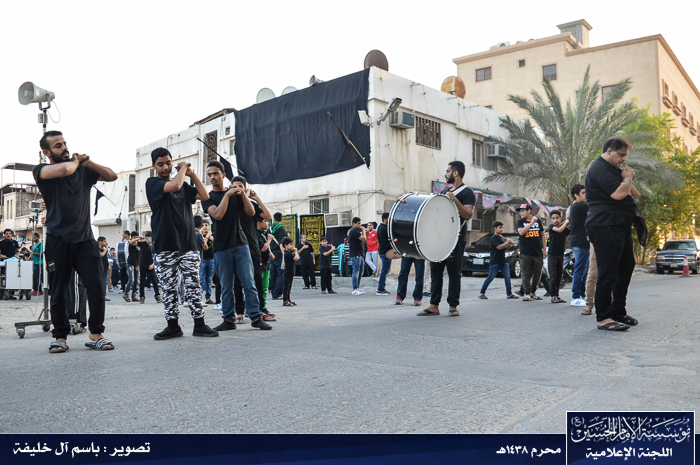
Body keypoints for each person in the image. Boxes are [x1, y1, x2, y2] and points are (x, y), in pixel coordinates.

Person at [33, 130, 117, 353]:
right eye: (58, 146)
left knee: (96, 287)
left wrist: (89, 163)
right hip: (57, 240)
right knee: (59, 291)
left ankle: (96, 333)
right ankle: (60, 336)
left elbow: (111, 176)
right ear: (46, 152)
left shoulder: (82, 170)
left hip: (85, 240)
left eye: (64, 143)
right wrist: (78, 162)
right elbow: (64, 169)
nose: (64, 148)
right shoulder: (41, 170)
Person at [146, 147, 218, 340]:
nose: (165, 167)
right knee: (168, 288)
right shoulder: (153, 183)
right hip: (164, 245)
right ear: (154, 166)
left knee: (193, 285)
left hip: (188, 244)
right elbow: (175, 185)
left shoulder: (184, 184)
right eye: (160, 164)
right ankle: (173, 326)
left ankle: (199, 325)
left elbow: (204, 195)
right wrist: (184, 168)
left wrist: (192, 173)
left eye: (168, 163)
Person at [202, 162, 271, 331]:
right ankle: (229, 320)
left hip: (241, 244)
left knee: (249, 282)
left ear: (223, 175)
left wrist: (241, 194)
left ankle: (256, 317)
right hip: (221, 247)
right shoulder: (208, 197)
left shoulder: (235, 194)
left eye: (216, 173)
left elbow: (251, 212)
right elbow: (218, 215)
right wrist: (227, 195)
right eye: (210, 174)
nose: (212, 177)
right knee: (226, 286)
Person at [585, 138, 640, 331]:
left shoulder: (615, 169)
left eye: (625, 155)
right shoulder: (600, 169)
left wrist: (628, 177)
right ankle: (603, 317)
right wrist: (626, 179)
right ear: (609, 151)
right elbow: (618, 194)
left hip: (619, 224)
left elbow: (635, 194)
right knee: (608, 271)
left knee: (626, 267)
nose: (624, 159)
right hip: (604, 224)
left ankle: (618, 311)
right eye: (621, 155)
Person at [423, 161, 475, 317]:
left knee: (453, 273)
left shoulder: (467, 192)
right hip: (440, 238)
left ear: (455, 173)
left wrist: (454, 199)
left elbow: (468, 214)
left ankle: (453, 306)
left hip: (455, 238)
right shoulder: (445, 191)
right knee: (436, 272)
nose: (445, 174)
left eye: (447, 171)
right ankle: (434, 305)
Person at [230, 175, 274, 323]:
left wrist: (256, 199)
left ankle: (260, 310)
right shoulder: (229, 202)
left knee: (257, 279)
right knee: (237, 281)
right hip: (236, 245)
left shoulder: (252, 205)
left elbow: (268, 216)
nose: (237, 189)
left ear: (245, 188)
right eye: (235, 186)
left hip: (252, 246)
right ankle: (239, 312)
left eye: (240, 186)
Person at [478, 221, 518, 299]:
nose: (501, 229)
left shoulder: (501, 237)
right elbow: (499, 247)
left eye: (502, 227)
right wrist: (506, 242)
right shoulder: (494, 238)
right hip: (495, 261)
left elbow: (504, 248)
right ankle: (482, 293)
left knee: (507, 277)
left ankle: (509, 294)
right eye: (500, 228)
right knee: (491, 277)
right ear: (495, 228)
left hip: (503, 261)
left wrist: (510, 245)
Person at [516, 204, 547, 301]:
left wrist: (544, 249)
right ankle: (527, 293)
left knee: (537, 274)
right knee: (525, 274)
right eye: (520, 211)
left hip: (537, 252)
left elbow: (543, 235)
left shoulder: (538, 221)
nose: (521, 213)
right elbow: (522, 232)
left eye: (523, 211)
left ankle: (533, 292)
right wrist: (531, 223)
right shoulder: (520, 222)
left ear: (529, 210)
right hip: (525, 253)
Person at [568, 184, 590, 308]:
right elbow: (594, 205)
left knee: (584, 271)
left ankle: (581, 295)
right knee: (580, 270)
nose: (586, 195)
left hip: (581, 243)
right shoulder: (580, 206)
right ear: (576, 195)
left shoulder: (577, 206)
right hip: (580, 243)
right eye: (583, 193)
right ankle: (575, 297)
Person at [546, 210, 570, 304]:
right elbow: (559, 230)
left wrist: (570, 221)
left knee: (559, 276)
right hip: (552, 255)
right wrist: (566, 223)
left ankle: (557, 295)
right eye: (553, 218)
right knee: (553, 276)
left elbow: (571, 230)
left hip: (561, 255)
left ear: (561, 217)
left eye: (557, 218)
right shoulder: (551, 227)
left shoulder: (565, 228)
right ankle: (553, 296)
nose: (555, 220)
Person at [257, 216, 275, 317]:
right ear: (259, 223)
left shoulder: (264, 234)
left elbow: (266, 249)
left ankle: (263, 308)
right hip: (258, 264)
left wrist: (270, 253)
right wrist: (269, 240)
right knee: (258, 289)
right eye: (265, 221)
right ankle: (256, 309)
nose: (268, 223)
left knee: (265, 288)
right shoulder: (256, 234)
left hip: (266, 264)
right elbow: (262, 248)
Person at [268, 212, 287, 300]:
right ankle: (278, 293)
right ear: (281, 220)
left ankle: (273, 293)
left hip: (271, 252)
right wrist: (283, 254)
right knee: (280, 272)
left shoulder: (269, 229)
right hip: (278, 252)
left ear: (274, 219)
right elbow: (281, 243)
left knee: (273, 273)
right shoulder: (281, 229)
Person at [138, 232, 161, 304]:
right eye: (150, 237)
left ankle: (157, 295)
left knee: (154, 281)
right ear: (147, 237)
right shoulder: (143, 244)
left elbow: (156, 256)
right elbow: (131, 242)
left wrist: (153, 264)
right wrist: (139, 238)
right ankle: (142, 296)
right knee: (142, 282)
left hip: (151, 265)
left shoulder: (154, 246)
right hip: (143, 265)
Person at [348, 217, 366, 295]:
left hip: (360, 253)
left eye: (360, 223)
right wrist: (363, 230)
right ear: (354, 223)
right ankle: (354, 288)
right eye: (358, 223)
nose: (360, 225)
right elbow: (364, 239)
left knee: (361, 271)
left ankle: (357, 287)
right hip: (355, 254)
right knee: (356, 271)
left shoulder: (357, 231)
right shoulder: (353, 231)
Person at [375, 212, 392, 296]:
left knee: (385, 270)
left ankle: (381, 288)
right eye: (389, 218)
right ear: (385, 219)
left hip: (383, 251)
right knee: (384, 271)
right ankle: (380, 289)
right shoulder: (384, 228)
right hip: (386, 252)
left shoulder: (380, 227)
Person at [199, 219, 215, 304]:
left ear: (209, 226)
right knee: (201, 279)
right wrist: (207, 236)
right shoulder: (199, 235)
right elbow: (203, 245)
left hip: (211, 259)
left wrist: (211, 238)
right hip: (202, 259)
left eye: (206, 225)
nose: (205, 227)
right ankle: (200, 298)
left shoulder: (212, 235)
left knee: (209, 279)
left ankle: (208, 298)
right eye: (203, 225)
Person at [280, 236, 299, 306]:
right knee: (286, 287)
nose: (292, 246)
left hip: (291, 271)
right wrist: (295, 252)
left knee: (289, 287)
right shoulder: (287, 254)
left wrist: (294, 251)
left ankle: (288, 299)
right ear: (285, 245)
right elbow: (296, 258)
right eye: (291, 244)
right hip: (287, 272)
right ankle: (285, 300)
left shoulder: (290, 253)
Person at [123, 231, 141, 302]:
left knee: (136, 281)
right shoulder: (130, 243)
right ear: (132, 238)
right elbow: (130, 242)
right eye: (134, 237)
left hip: (137, 264)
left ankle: (134, 296)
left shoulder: (138, 244)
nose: (136, 239)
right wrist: (138, 238)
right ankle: (126, 294)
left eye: (137, 237)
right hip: (130, 264)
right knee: (131, 280)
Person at [98, 236, 110, 301]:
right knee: (100, 282)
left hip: (105, 267)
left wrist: (108, 265)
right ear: (100, 242)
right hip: (99, 267)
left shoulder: (104, 249)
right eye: (104, 241)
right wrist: (106, 248)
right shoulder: (97, 249)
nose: (105, 243)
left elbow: (105, 258)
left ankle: (104, 295)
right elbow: (102, 255)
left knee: (105, 282)